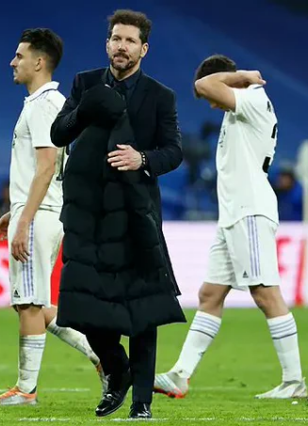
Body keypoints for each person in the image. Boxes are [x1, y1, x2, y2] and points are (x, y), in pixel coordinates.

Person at [50, 10, 184, 419]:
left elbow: (173, 151)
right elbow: (59, 133)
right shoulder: (85, 83)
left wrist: (140, 158)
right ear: (107, 43)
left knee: (143, 311)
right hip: (89, 218)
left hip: (135, 216)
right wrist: (86, 109)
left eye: (129, 40)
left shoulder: (161, 95)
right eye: (115, 38)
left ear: (144, 49)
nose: (121, 46)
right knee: (83, 308)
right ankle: (117, 368)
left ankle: (141, 401)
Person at [153, 55, 307, 400]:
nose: (209, 102)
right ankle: (180, 375)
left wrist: (240, 76)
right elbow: (207, 89)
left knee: (266, 294)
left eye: (213, 95)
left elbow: (204, 85)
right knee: (211, 294)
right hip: (233, 215)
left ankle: (294, 381)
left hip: (250, 211)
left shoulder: (251, 99)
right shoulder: (239, 109)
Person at [0, 28, 105, 407]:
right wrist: (14, 212)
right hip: (38, 211)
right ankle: (103, 355)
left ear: (39, 61)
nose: (12, 62)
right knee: (33, 304)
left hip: (41, 215)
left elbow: (47, 166)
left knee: (30, 305)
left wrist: (25, 218)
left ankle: (25, 390)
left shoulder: (44, 105)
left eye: (19, 56)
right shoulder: (44, 103)